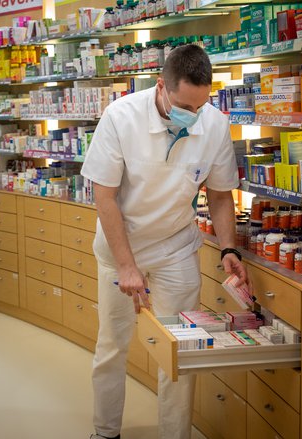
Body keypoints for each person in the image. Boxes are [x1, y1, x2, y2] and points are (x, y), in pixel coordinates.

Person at [81, 44, 251, 439]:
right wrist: (126, 265)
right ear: (161, 86)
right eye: (184, 106)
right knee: (112, 345)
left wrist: (228, 248)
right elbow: (103, 196)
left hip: (175, 248)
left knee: (180, 351)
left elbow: (222, 194)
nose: (193, 117)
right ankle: (105, 432)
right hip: (121, 248)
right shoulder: (120, 117)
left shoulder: (214, 123)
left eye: (200, 106)